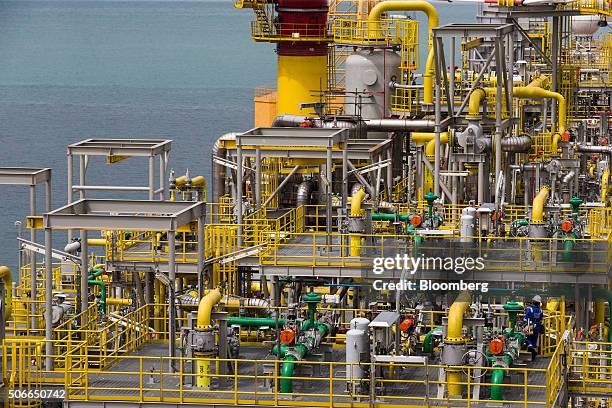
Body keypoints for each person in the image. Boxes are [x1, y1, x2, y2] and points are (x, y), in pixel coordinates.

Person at [523, 295, 544, 359]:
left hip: (530, 326)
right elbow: (541, 319)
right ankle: (532, 355)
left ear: (534, 302)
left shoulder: (530, 309)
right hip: (537, 327)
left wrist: (524, 325)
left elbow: (525, 319)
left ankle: (532, 350)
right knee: (534, 340)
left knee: (527, 338)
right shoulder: (541, 311)